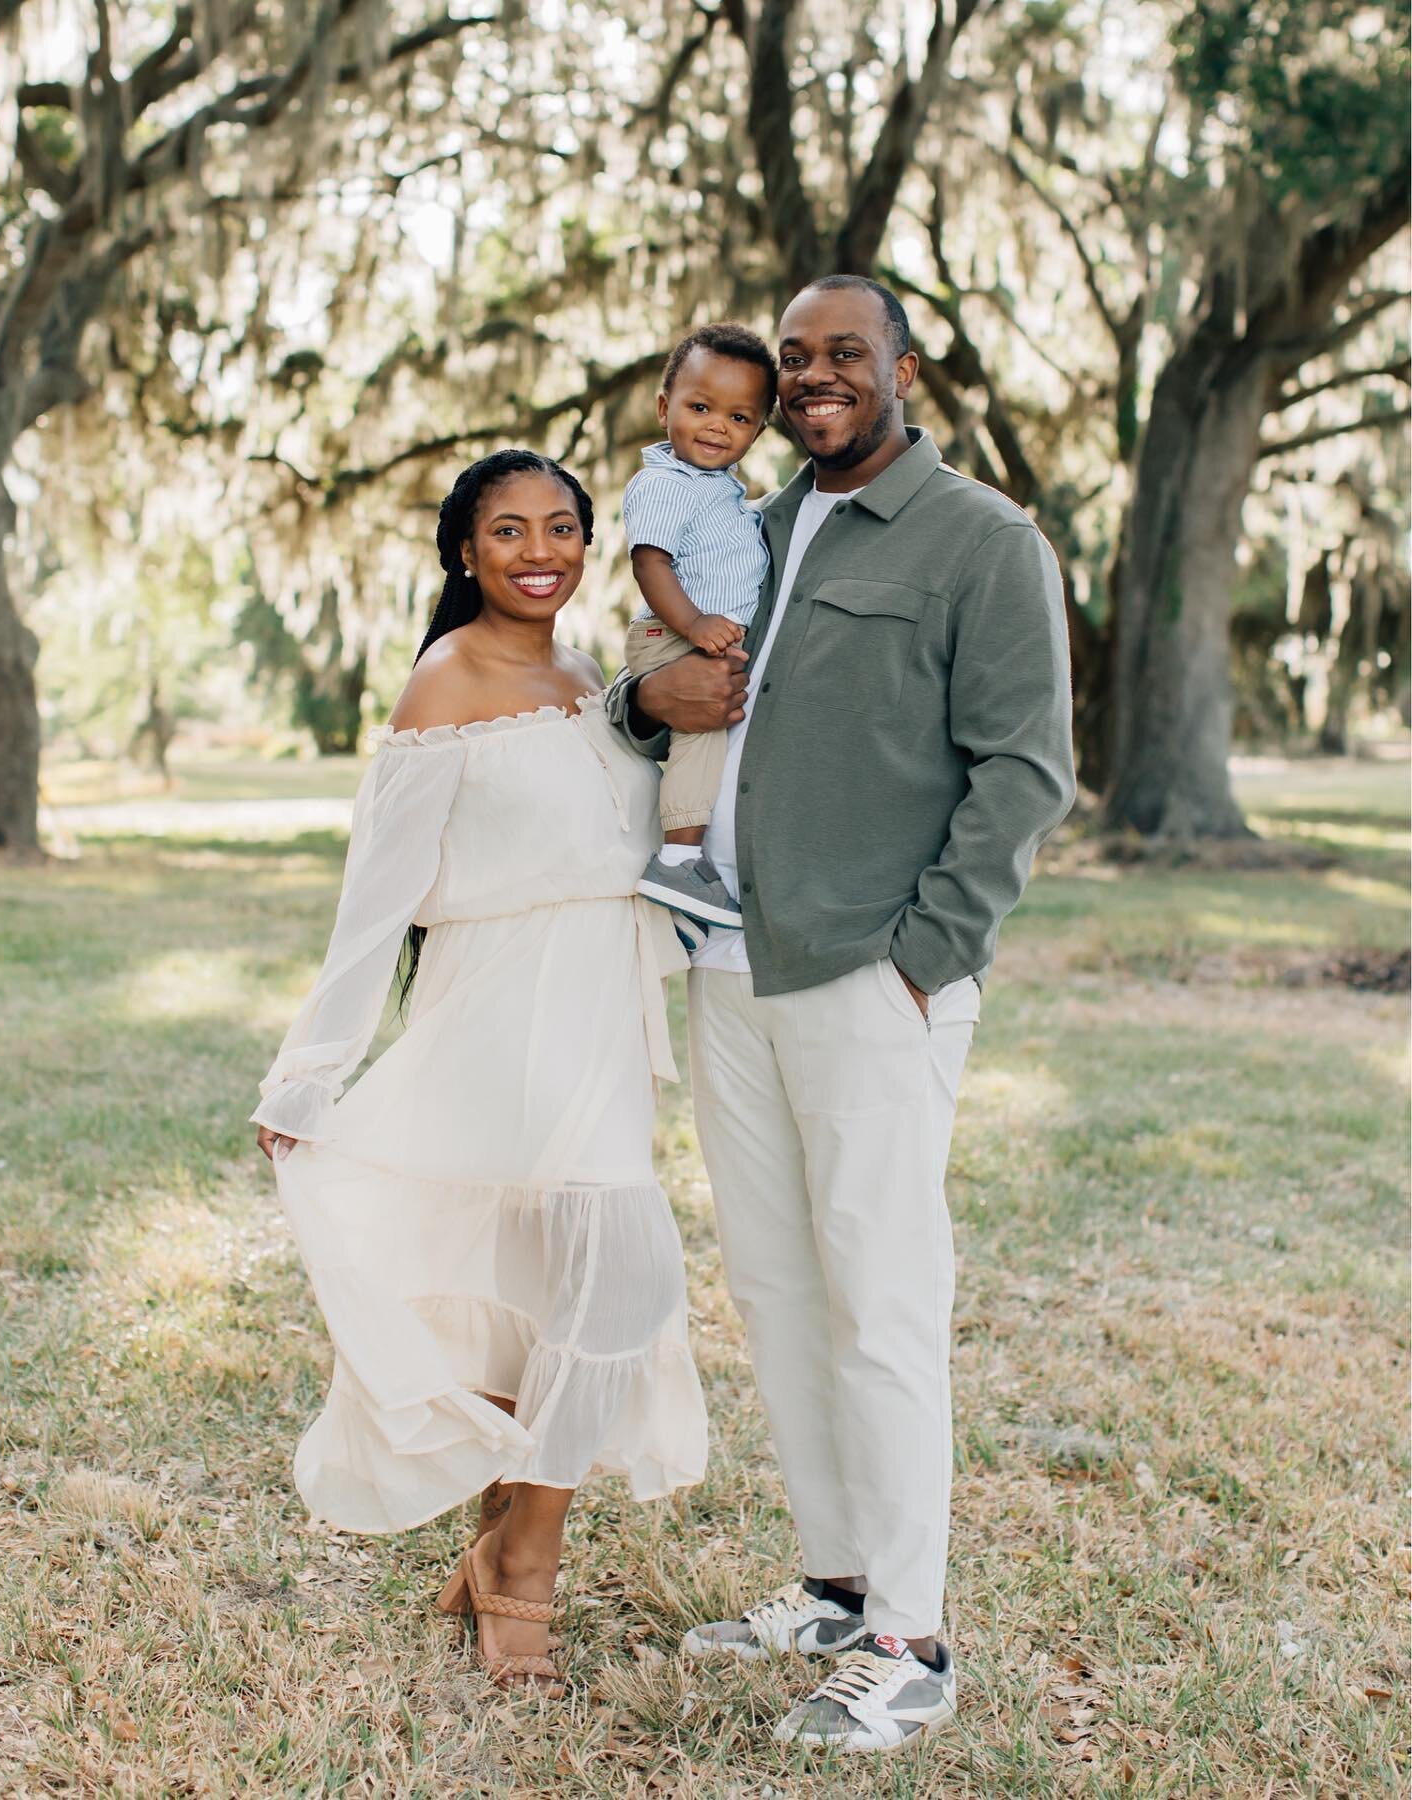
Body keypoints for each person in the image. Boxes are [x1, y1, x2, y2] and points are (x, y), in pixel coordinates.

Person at [608, 275, 1077, 1754]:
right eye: (793, 358)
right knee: (779, 1293)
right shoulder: (755, 523)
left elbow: (1023, 773)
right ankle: (833, 1580)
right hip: (730, 966)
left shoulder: (983, 542)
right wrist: (639, 708)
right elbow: (667, 688)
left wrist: (925, 957)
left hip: (872, 976)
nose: (814, 380)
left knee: (883, 1304)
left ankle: (912, 1640)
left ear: (903, 369)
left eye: (843, 356)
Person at [252, 449, 705, 1697]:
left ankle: (512, 1542)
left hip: (601, 1011)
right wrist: (311, 1071)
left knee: (587, 1285)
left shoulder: (597, 671)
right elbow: (376, 898)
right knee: (618, 1270)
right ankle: (526, 1567)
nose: (539, 551)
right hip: (501, 1011)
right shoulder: (443, 682)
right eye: (508, 532)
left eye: (561, 526)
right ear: (465, 552)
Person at [622, 323, 776, 931]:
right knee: (702, 734)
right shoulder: (666, 482)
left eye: (739, 418)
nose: (717, 425)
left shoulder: (721, 491)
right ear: (665, 409)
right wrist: (694, 622)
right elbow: (649, 561)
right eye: (700, 407)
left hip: (698, 633)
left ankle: (687, 890)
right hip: (674, 635)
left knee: (710, 734)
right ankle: (679, 862)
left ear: (759, 430)